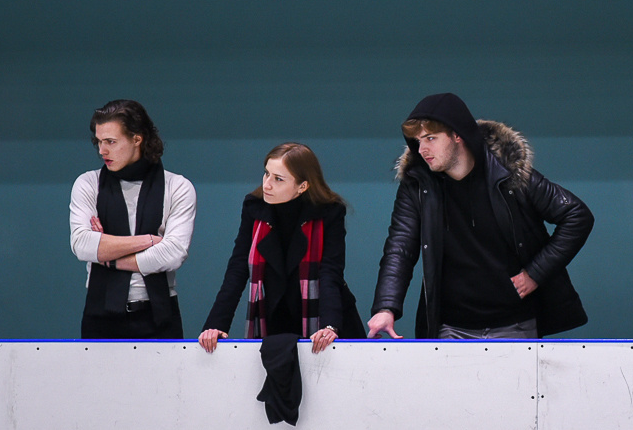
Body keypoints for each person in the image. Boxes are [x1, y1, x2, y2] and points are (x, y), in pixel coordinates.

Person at [369, 93, 594, 340]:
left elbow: (577, 215)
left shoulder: (508, 174)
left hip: (515, 322)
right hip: (449, 327)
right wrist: (386, 307)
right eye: (418, 140)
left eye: (431, 138)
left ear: (457, 135)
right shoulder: (417, 185)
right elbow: (400, 248)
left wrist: (536, 273)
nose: (422, 149)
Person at [200, 143, 363, 354]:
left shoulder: (329, 212)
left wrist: (330, 325)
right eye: (266, 174)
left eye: (278, 179)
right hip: (275, 317)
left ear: (302, 186)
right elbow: (238, 268)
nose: (267, 184)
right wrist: (216, 324)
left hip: (326, 319)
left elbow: (330, 271)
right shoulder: (254, 207)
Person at [69, 99, 196, 339]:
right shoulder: (87, 183)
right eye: (98, 141)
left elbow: (173, 253)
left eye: (111, 142)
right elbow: (82, 245)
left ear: (137, 139)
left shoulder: (177, 187)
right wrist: (149, 240)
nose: (101, 150)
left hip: (158, 314)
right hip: (100, 314)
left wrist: (109, 256)